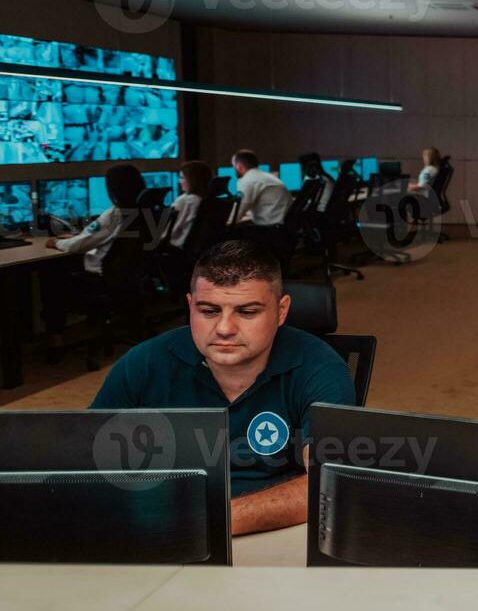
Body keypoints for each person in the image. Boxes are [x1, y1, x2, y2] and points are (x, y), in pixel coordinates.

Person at [90, 240, 355, 535]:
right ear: (190, 306)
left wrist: (206, 521)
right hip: (158, 528)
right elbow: (84, 468)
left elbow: (330, 482)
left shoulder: (320, 368)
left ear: (281, 311)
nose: (225, 328)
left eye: (247, 312)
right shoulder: (143, 363)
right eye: (209, 311)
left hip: (273, 533)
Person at [40, 163, 146, 345]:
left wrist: (56, 242)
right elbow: (92, 238)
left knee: (50, 274)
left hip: (102, 279)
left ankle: (55, 338)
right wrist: (80, 237)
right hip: (126, 277)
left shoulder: (114, 214)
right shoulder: (144, 212)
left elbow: (77, 246)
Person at [230, 149, 291, 227]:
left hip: (271, 229)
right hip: (283, 226)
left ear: (239, 166)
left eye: (233, 165)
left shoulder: (249, 180)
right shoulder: (264, 176)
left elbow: (237, 212)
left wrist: (221, 221)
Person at [167, 160, 212, 249]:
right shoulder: (210, 201)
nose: (179, 181)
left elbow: (169, 233)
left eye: (182, 177)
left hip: (176, 249)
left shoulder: (185, 200)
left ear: (192, 180)